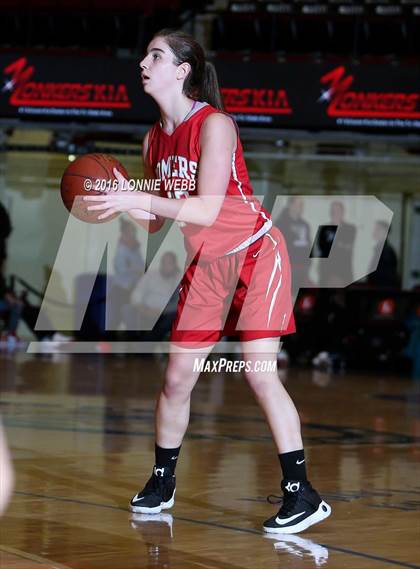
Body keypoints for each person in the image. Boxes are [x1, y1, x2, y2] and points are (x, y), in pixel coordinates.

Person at [84, 29, 331, 534]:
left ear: (182, 71)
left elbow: (207, 208)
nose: (143, 64)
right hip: (205, 267)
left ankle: (302, 493)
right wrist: (120, 199)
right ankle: (161, 481)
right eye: (145, 54)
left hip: (255, 255)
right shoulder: (153, 137)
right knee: (176, 379)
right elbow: (157, 222)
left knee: (259, 374)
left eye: (155, 55)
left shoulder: (215, 125)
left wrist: (140, 199)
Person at [130, 251, 181, 342]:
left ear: (174, 265)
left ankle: (146, 344)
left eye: (169, 263)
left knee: (173, 317)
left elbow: (178, 302)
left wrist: (161, 311)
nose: (166, 266)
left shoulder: (178, 279)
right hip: (145, 308)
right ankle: (137, 343)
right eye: (163, 263)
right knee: (129, 310)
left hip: (165, 312)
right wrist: (141, 307)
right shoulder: (151, 275)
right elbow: (138, 291)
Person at [108, 218, 145, 332]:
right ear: (124, 233)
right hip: (121, 290)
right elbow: (122, 269)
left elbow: (141, 268)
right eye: (130, 231)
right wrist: (135, 269)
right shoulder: (122, 250)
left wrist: (135, 269)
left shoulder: (135, 248)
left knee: (133, 320)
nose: (132, 234)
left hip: (133, 289)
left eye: (133, 231)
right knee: (116, 320)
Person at [275, 197, 312, 291]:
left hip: (302, 268)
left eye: (302, 205)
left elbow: (308, 246)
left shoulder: (305, 225)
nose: (301, 207)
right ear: (291, 205)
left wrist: (308, 263)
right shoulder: (281, 223)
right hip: (289, 268)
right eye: (299, 204)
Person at [316, 201, 356, 287]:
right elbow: (322, 250)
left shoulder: (350, 229)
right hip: (326, 274)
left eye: (338, 210)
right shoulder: (324, 229)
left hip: (343, 273)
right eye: (333, 211)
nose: (335, 213)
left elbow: (346, 248)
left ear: (343, 212)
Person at [367, 221, 400, 288]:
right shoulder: (379, 249)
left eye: (377, 229)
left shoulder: (386, 252)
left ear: (384, 232)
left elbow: (385, 276)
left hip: (382, 290)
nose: (374, 231)